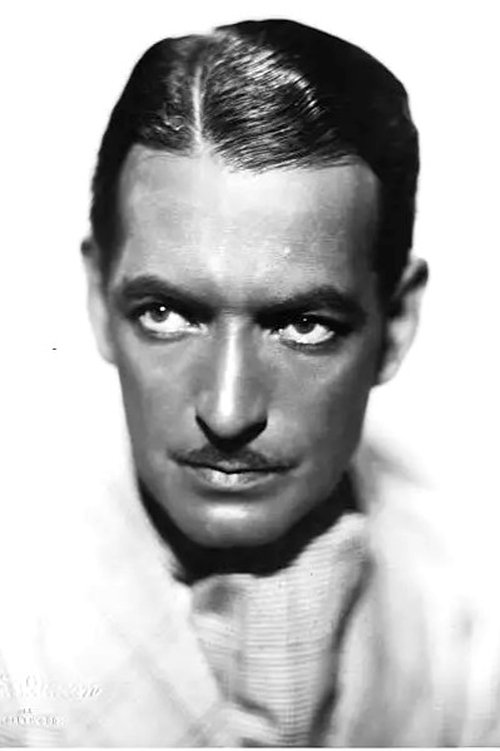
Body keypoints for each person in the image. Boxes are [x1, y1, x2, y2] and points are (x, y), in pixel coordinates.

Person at [0, 18, 478, 747]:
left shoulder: (468, 619)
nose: (227, 411)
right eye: (165, 314)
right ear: (98, 297)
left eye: (305, 325)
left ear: (398, 322)